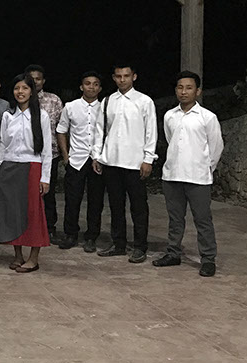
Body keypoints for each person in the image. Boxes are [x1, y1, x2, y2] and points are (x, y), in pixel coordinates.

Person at [153, 71, 224, 277]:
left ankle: (208, 259)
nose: (184, 92)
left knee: (203, 220)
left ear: (198, 91)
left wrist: (206, 168)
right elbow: (170, 140)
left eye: (189, 88)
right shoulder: (170, 115)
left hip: (198, 177)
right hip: (172, 175)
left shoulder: (207, 117)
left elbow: (216, 146)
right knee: (175, 219)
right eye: (180, 87)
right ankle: (173, 253)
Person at [92, 64, 157, 264]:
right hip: (112, 161)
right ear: (114, 78)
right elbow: (100, 130)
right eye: (118, 76)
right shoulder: (107, 101)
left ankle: (140, 246)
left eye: (126, 76)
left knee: (138, 207)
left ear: (134, 77)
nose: (122, 80)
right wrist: (97, 155)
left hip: (135, 163)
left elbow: (151, 131)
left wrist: (148, 159)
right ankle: (118, 243)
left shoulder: (144, 101)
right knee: (115, 206)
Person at [0, 74, 52, 273]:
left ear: (32, 91)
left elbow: (46, 150)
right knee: (13, 213)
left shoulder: (41, 116)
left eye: (25, 88)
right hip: (10, 167)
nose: (20, 92)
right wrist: (0, 166)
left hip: (32, 167)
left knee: (33, 213)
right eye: (17, 88)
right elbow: (2, 143)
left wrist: (45, 177)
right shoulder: (8, 115)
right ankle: (18, 255)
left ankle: (33, 258)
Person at [56, 71, 106, 252]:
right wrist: (66, 156)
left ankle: (91, 236)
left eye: (95, 84)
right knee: (72, 199)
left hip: (97, 160)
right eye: (87, 83)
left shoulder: (105, 107)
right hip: (76, 159)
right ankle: (70, 234)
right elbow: (61, 130)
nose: (91, 87)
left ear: (100, 88)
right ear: (81, 86)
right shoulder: (71, 106)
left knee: (96, 200)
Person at [26, 64, 64, 244]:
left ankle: (50, 228)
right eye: (31, 79)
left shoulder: (53, 100)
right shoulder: (21, 98)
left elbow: (61, 127)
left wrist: (64, 152)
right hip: (26, 156)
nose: (35, 82)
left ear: (43, 81)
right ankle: (28, 227)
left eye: (38, 79)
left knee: (47, 193)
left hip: (50, 154)